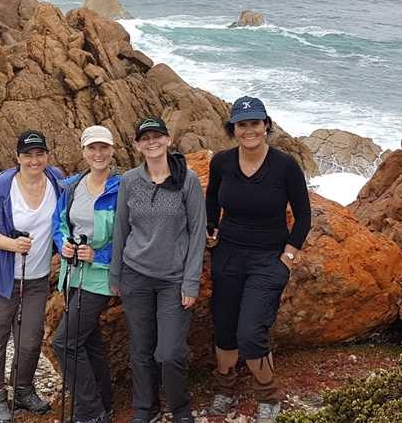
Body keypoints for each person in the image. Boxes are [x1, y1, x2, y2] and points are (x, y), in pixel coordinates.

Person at [205, 96, 312, 423]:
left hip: (268, 259)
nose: (249, 130)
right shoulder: (221, 162)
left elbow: (304, 216)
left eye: (255, 123)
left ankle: (268, 393)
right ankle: (225, 387)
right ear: (233, 129)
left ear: (266, 125)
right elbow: (212, 200)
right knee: (224, 329)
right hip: (227, 256)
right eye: (242, 124)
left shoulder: (285, 165)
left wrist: (288, 255)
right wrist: (212, 229)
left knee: (250, 332)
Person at [110, 116, 207, 423]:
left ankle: (180, 409)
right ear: (137, 145)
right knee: (140, 348)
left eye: (157, 136)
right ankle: (144, 407)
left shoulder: (187, 179)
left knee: (169, 352)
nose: (152, 142)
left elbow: (198, 231)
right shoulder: (129, 180)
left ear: (168, 140)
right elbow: (121, 229)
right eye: (145, 138)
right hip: (135, 274)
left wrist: (191, 282)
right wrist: (116, 274)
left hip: (172, 280)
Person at [0, 129, 63, 423]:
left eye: (39, 154)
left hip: (36, 278)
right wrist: (11, 244)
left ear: (47, 156)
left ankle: (23, 390)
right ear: (17, 157)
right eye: (28, 155)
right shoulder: (1, 187)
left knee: (31, 338)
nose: (34, 160)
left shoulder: (56, 181)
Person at [51, 126, 122, 423]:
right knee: (88, 342)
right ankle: (103, 403)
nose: (98, 154)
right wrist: (63, 244)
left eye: (103, 147)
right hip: (72, 273)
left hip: (100, 277)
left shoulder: (121, 188)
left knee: (64, 342)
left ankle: (90, 413)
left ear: (112, 150)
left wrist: (98, 255)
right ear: (83, 151)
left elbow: (127, 236)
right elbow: (59, 222)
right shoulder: (71, 186)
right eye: (92, 148)